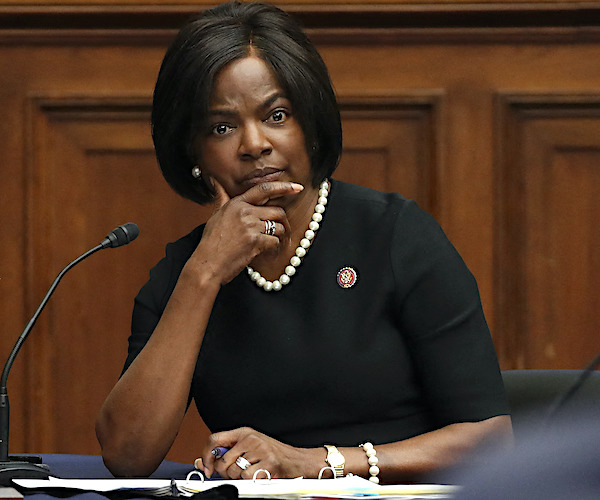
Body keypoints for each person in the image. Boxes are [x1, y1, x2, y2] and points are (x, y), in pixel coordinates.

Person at [95, 0, 512, 482]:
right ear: (194, 153)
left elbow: (490, 438)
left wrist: (317, 463)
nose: (254, 144)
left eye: (276, 115)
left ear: (309, 124)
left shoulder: (395, 236)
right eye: (222, 127)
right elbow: (127, 454)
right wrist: (204, 274)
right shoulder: (185, 271)